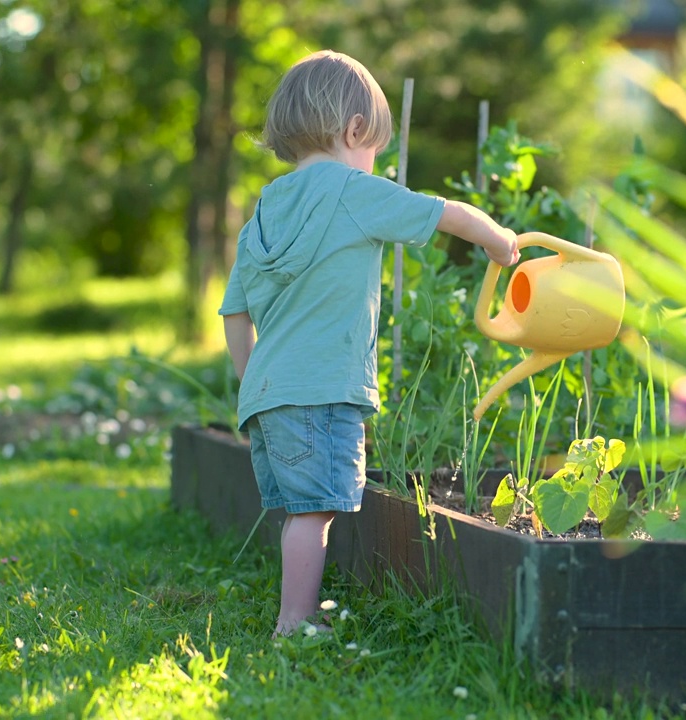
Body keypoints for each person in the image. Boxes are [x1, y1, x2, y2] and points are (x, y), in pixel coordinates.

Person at [219, 49, 519, 637]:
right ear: (354, 130)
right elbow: (439, 212)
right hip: (322, 387)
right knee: (315, 511)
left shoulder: (265, 208)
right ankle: (295, 623)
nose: (375, 162)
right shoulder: (353, 190)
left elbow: (234, 311)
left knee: (300, 511)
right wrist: (497, 238)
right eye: (375, 147)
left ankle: (294, 611)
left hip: (267, 390)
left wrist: (252, 380)